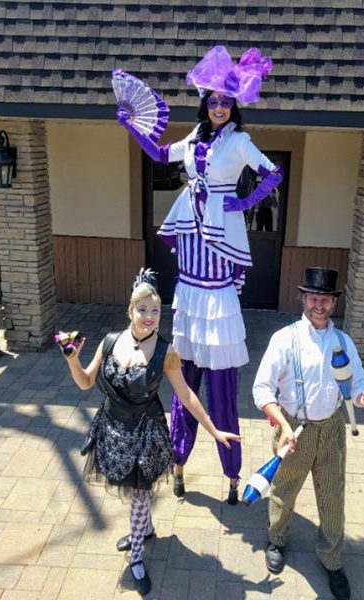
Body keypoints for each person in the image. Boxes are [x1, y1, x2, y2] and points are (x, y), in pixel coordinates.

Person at [116, 45, 283, 504]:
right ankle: (180, 463)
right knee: (183, 385)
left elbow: (274, 173)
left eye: (225, 102)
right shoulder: (193, 139)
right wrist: (133, 127)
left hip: (219, 288)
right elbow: (161, 151)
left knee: (225, 391)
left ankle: (232, 474)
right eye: (212, 101)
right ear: (204, 105)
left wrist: (244, 203)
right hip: (189, 288)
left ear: (234, 107)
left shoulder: (239, 143)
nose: (218, 107)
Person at [62, 269, 241, 596]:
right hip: (113, 431)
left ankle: (137, 557)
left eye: (155, 310)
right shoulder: (110, 342)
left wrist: (215, 431)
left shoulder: (166, 352)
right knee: (136, 493)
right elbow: (86, 382)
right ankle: (146, 530)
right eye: (142, 309)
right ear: (130, 310)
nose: (149, 316)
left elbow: (186, 396)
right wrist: (73, 359)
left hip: (145, 435)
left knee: (139, 494)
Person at [251, 267, 364, 600]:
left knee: (332, 494)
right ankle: (277, 538)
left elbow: (357, 381)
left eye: (325, 298)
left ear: (333, 303)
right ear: (303, 298)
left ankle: (332, 559)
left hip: (333, 427)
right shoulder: (285, 339)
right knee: (284, 488)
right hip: (293, 428)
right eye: (313, 297)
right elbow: (262, 389)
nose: (319, 304)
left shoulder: (343, 341)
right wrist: (281, 425)